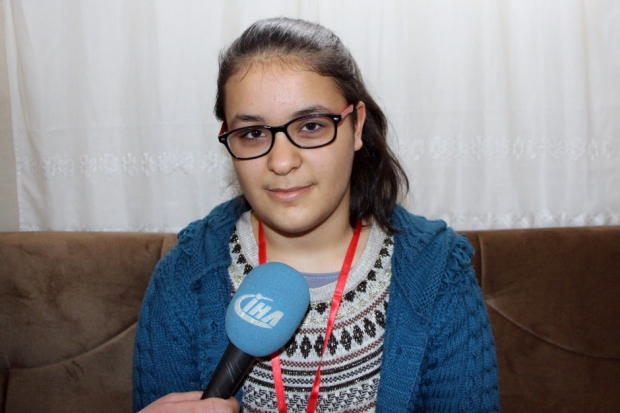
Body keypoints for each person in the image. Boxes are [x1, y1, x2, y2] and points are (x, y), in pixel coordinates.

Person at [133, 17, 499, 413]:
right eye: (253, 133)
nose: (281, 161)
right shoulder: (184, 277)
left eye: (310, 126)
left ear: (356, 126)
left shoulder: (438, 273)